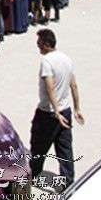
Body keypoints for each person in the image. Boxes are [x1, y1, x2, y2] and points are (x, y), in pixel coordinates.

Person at [29, 28, 83, 188]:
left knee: (38, 146)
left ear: (46, 44)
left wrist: (56, 112)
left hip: (48, 113)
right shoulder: (67, 59)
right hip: (66, 111)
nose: (38, 46)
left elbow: (50, 87)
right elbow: (73, 85)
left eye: (39, 43)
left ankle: (33, 173)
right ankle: (68, 183)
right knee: (65, 149)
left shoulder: (47, 62)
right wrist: (77, 108)